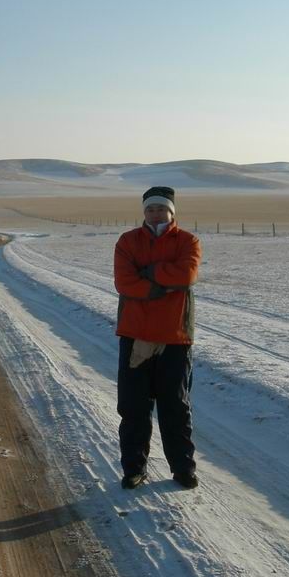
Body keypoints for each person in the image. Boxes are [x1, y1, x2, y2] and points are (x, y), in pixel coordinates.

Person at [113, 186, 201, 489]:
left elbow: (187, 275)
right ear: (144, 212)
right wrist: (162, 286)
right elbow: (124, 282)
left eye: (161, 209)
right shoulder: (128, 241)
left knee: (175, 407)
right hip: (135, 335)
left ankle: (183, 468)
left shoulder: (188, 241)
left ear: (171, 212)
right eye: (150, 209)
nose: (155, 214)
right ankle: (134, 469)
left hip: (175, 337)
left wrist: (148, 272)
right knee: (133, 407)